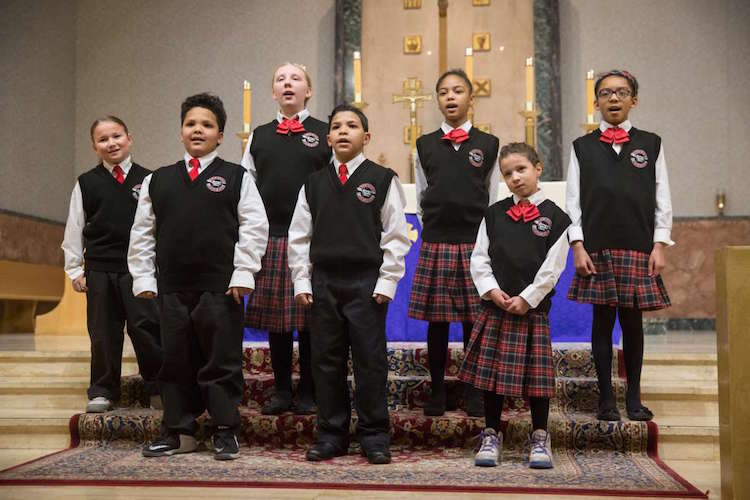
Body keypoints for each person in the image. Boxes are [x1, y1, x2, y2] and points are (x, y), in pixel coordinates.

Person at [130, 93, 268, 460]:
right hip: (172, 288)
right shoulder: (158, 180)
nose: (198, 130)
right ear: (180, 132)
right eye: (191, 123)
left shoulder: (236, 177)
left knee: (220, 361)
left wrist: (243, 272)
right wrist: (144, 278)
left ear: (220, 135)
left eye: (206, 125)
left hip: (221, 287)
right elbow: (143, 233)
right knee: (175, 360)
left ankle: (224, 428)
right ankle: (179, 431)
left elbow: (254, 227)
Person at [289, 104, 411, 464]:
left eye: (352, 126)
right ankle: (332, 434)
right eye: (337, 127)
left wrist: (387, 282)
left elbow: (396, 236)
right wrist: (302, 281)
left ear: (366, 137)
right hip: (324, 281)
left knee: (369, 361)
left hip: (366, 283)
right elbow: (299, 237)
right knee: (326, 361)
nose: (344, 131)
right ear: (327, 138)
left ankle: (374, 434)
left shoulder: (382, 178)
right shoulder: (312, 184)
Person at [566, 70, 672, 422]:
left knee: (632, 324)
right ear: (595, 102)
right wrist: (577, 245)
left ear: (633, 100)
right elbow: (573, 201)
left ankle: (634, 398)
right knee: (601, 321)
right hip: (596, 247)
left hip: (637, 246)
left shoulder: (651, 143)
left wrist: (659, 244)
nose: (614, 99)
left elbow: (662, 197)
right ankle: (606, 399)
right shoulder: (582, 147)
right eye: (606, 93)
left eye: (621, 93)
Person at [459, 142, 570, 468]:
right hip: (497, 307)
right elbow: (479, 258)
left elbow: (553, 268)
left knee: (536, 382)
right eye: (508, 173)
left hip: (531, 311)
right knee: (492, 377)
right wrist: (491, 290)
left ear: (538, 168)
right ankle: (491, 432)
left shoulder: (556, 218)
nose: (515, 177)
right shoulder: (493, 215)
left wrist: (528, 297)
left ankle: (539, 436)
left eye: (521, 169)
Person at [241, 63, 330, 415]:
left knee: (309, 320)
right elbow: (247, 185)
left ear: (308, 91)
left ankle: (308, 389)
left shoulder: (324, 132)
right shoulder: (260, 135)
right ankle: (281, 389)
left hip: (312, 237)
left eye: (295, 79)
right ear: (273, 93)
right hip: (272, 236)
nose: (287, 83)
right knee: (278, 322)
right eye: (280, 79)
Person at [410, 69, 500, 417]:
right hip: (437, 241)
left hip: (473, 243)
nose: (451, 97)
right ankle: (436, 390)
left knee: (473, 321)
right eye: (444, 92)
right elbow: (421, 195)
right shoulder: (424, 144)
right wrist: (434, 227)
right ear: (437, 100)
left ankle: (473, 390)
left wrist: (485, 241)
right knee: (438, 322)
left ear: (470, 99)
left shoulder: (488, 144)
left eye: (458, 91)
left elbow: (492, 198)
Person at [62, 115, 162, 414]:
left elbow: (160, 225)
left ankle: (158, 387)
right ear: (95, 147)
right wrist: (74, 269)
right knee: (104, 330)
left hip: (139, 269)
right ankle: (103, 389)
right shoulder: (87, 183)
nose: (111, 143)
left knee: (146, 327)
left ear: (129, 138)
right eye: (103, 139)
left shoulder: (150, 179)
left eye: (116, 136)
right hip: (100, 269)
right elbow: (74, 228)